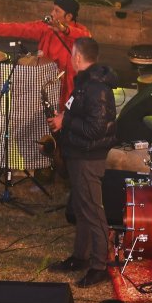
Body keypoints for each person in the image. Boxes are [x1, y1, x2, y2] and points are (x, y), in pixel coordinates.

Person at [46, 36, 117, 288]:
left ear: (77, 57)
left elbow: (96, 128)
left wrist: (65, 122)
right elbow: (83, 114)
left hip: (88, 158)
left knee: (93, 212)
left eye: (72, 55)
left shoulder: (97, 88)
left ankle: (99, 266)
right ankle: (80, 257)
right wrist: (65, 116)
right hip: (78, 154)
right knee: (81, 209)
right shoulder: (86, 84)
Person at [0, 0, 90, 103]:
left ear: (68, 16)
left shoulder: (80, 32)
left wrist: (64, 30)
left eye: (57, 11)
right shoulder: (46, 28)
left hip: (68, 90)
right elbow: (18, 28)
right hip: (44, 85)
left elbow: (85, 37)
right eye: (53, 9)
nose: (52, 13)